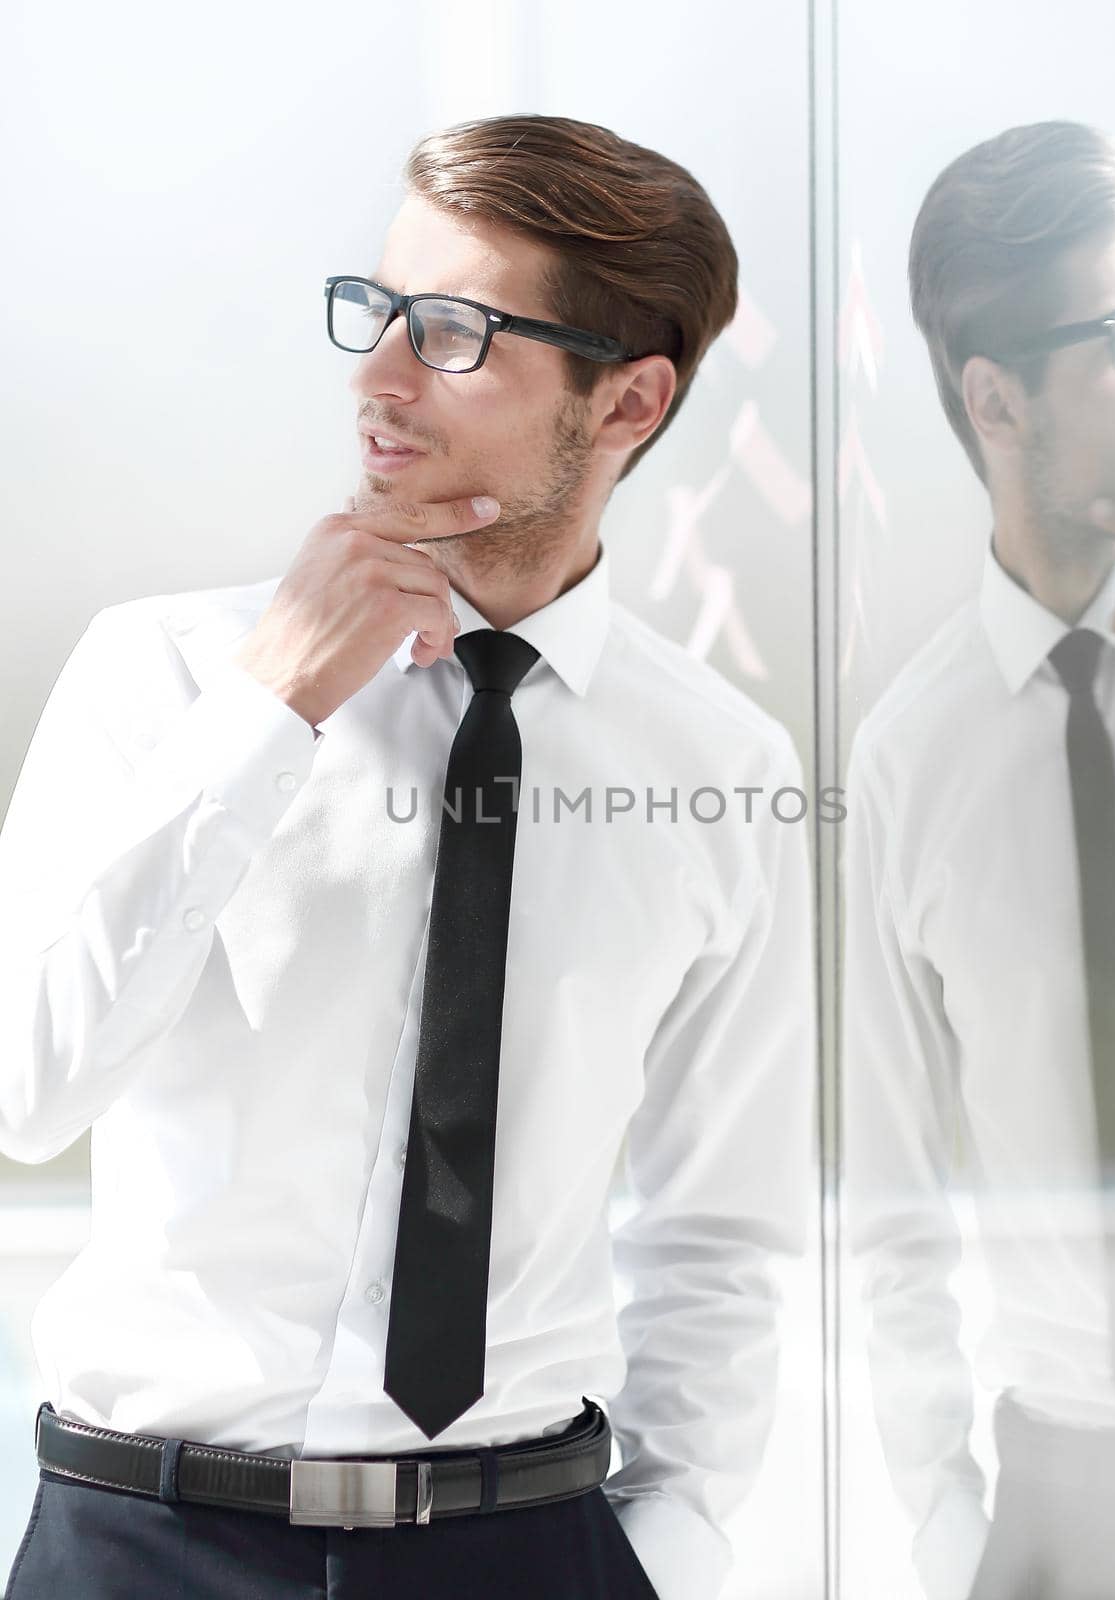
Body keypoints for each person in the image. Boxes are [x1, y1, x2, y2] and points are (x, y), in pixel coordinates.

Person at [0, 113, 815, 1600]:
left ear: (625, 402)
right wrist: (270, 710)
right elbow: (28, 1086)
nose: (375, 377)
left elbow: (722, 1230)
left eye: (453, 334)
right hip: (145, 1544)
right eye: (377, 314)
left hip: (533, 1547)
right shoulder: (166, 678)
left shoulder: (718, 768)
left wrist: (666, 1550)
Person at [842, 119, 1115, 1600]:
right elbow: (892, 1199)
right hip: (1053, 1516)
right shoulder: (909, 756)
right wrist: (955, 1535)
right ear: (992, 396)